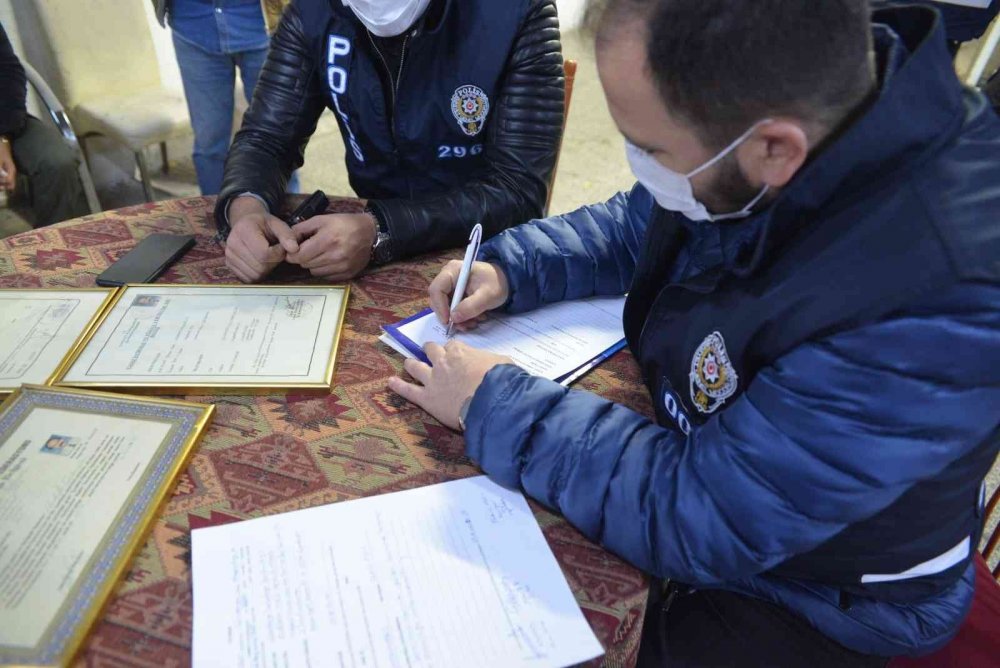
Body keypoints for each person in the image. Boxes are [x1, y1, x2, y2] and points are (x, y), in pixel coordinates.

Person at [389, 1, 1000, 666]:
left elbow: (704, 518)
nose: (638, 166)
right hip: (724, 467)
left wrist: (494, 402)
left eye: (649, 150)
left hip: (823, 595)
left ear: (775, 149)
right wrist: (516, 268)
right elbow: (644, 223)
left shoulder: (932, 296)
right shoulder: (808, 111)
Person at [215, 0, 564, 283]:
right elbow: (266, 138)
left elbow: (518, 191)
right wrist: (247, 209)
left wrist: (381, 229)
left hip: (485, 256)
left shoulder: (518, 12)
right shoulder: (313, 14)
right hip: (367, 257)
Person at [152, 0, 300, 195]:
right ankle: (216, 215)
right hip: (193, 26)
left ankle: (290, 215)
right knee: (209, 142)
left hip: (262, 23)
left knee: (278, 134)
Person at [0, 23, 90, 227]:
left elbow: (8, 71)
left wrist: (3, 137)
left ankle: (55, 250)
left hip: (6, 122)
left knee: (57, 163)